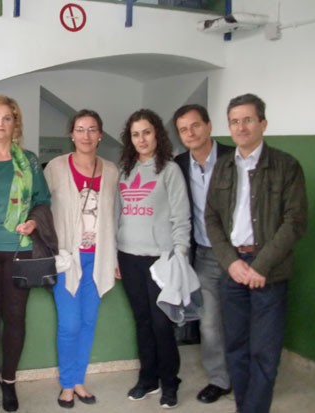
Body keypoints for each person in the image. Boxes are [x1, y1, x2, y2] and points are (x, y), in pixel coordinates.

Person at [205, 93, 307, 413]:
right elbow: (212, 218)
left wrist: (260, 266)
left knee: (264, 352)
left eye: (248, 120)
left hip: (269, 272)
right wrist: (231, 262)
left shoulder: (286, 166)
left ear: (263, 123)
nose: (241, 127)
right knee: (235, 348)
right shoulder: (223, 167)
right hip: (232, 268)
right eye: (234, 121)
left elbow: (295, 222)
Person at [0, 95, 51, 412]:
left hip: (20, 249)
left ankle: (9, 382)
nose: (0, 123)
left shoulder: (29, 161)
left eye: (7, 118)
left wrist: (33, 221)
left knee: (15, 316)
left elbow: (42, 200)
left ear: (16, 123)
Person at [43, 110, 119, 409]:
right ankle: (66, 383)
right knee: (70, 324)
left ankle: (78, 381)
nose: (86, 135)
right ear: (71, 134)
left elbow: (115, 216)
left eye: (92, 129)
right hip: (67, 260)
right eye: (80, 129)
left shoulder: (111, 171)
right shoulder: (56, 168)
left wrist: (115, 256)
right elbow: (40, 207)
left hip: (99, 259)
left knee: (88, 322)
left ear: (100, 135)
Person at [115, 109, 190, 409]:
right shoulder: (124, 170)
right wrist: (114, 254)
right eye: (135, 134)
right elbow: (117, 214)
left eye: (146, 132)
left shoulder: (170, 170)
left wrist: (180, 255)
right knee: (142, 321)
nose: (142, 139)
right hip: (128, 257)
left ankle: (170, 382)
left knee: (161, 324)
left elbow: (181, 218)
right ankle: (148, 379)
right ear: (130, 139)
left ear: (157, 133)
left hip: (161, 260)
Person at [173, 104, 233, 403]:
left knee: (242, 318)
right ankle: (220, 379)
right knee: (208, 323)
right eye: (183, 129)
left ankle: (246, 374)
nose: (190, 133)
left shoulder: (234, 157)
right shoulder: (179, 164)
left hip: (239, 254)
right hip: (205, 255)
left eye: (195, 125)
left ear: (209, 126)